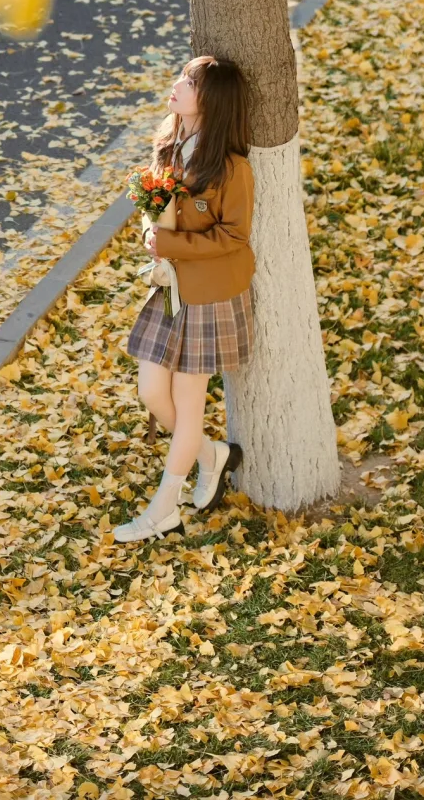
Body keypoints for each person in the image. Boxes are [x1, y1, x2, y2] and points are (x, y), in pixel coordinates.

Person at [115, 54, 254, 543]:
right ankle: (210, 455)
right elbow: (159, 213)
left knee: (188, 403)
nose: (176, 85)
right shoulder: (170, 149)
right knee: (152, 392)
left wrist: (170, 244)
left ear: (211, 100)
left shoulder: (232, 169)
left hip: (210, 295)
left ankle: (163, 511)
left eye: (189, 81)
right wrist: (157, 237)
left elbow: (234, 238)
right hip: (172, 288)